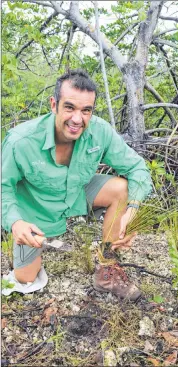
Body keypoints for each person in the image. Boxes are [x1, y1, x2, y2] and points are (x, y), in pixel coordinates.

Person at [2, 69, 152, 300]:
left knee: (121, 188)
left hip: (76, 194)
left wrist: (132, 211)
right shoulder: (20, 141)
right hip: (34, 211)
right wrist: (15, 222)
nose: (77, 119)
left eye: (86, 111)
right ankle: (24, 256)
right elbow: (3, 187)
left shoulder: (99, 132)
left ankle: (107, 267)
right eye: (70, 107)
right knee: (26, 280)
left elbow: (137, 169)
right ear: (54, 105)